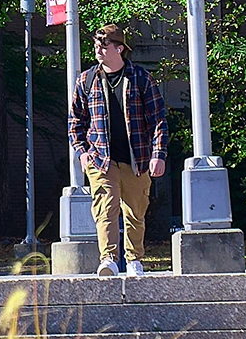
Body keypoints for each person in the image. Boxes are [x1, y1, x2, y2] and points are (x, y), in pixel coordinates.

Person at [67, 24, 169, 275]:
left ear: (119, 49)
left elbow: (158, 119)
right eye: (96, 46)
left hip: (137, 158)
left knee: (135, 211)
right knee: (105, 208)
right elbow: (75, 121)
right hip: (101, 159)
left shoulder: (140, 78)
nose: (98, 50)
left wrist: (159, 154)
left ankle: (134, 260)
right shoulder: (87, 80)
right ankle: (108, 260)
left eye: (104, 46)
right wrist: (82, 151)